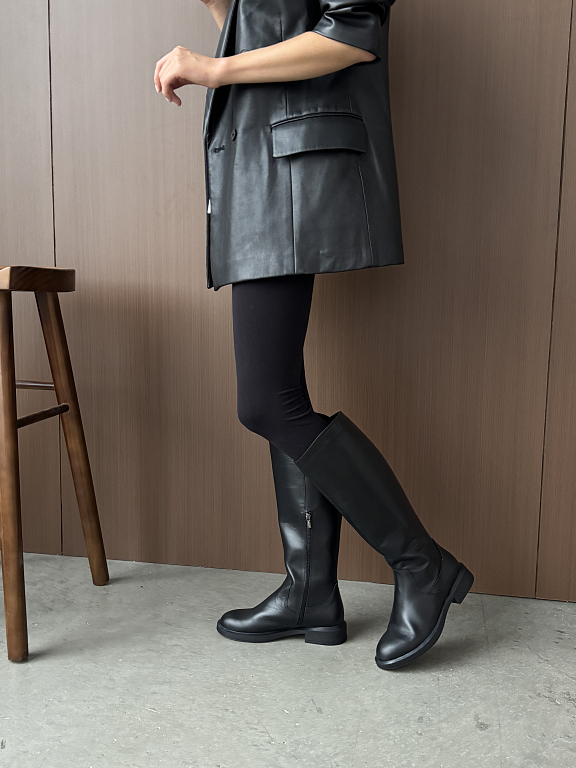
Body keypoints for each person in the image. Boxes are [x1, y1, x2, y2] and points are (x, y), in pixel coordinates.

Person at [154, 0, 474, 670]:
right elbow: (259, 24)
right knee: (279, 396)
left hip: (293, 169)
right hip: (259, 168)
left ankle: (422, 564)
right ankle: (311, 594)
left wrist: (213, 69)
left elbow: (352, 33)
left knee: (266, 402)